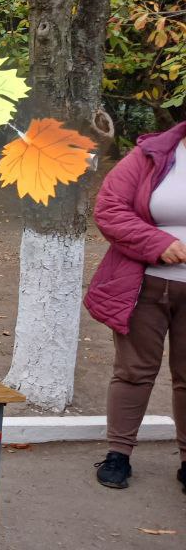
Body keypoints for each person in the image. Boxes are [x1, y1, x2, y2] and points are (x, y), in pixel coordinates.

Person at [85, 121, 186, 492]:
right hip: (144, 283)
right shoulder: (151, 154)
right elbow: (110, 208)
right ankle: (118, 454)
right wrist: (155, 242)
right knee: (134, 370)